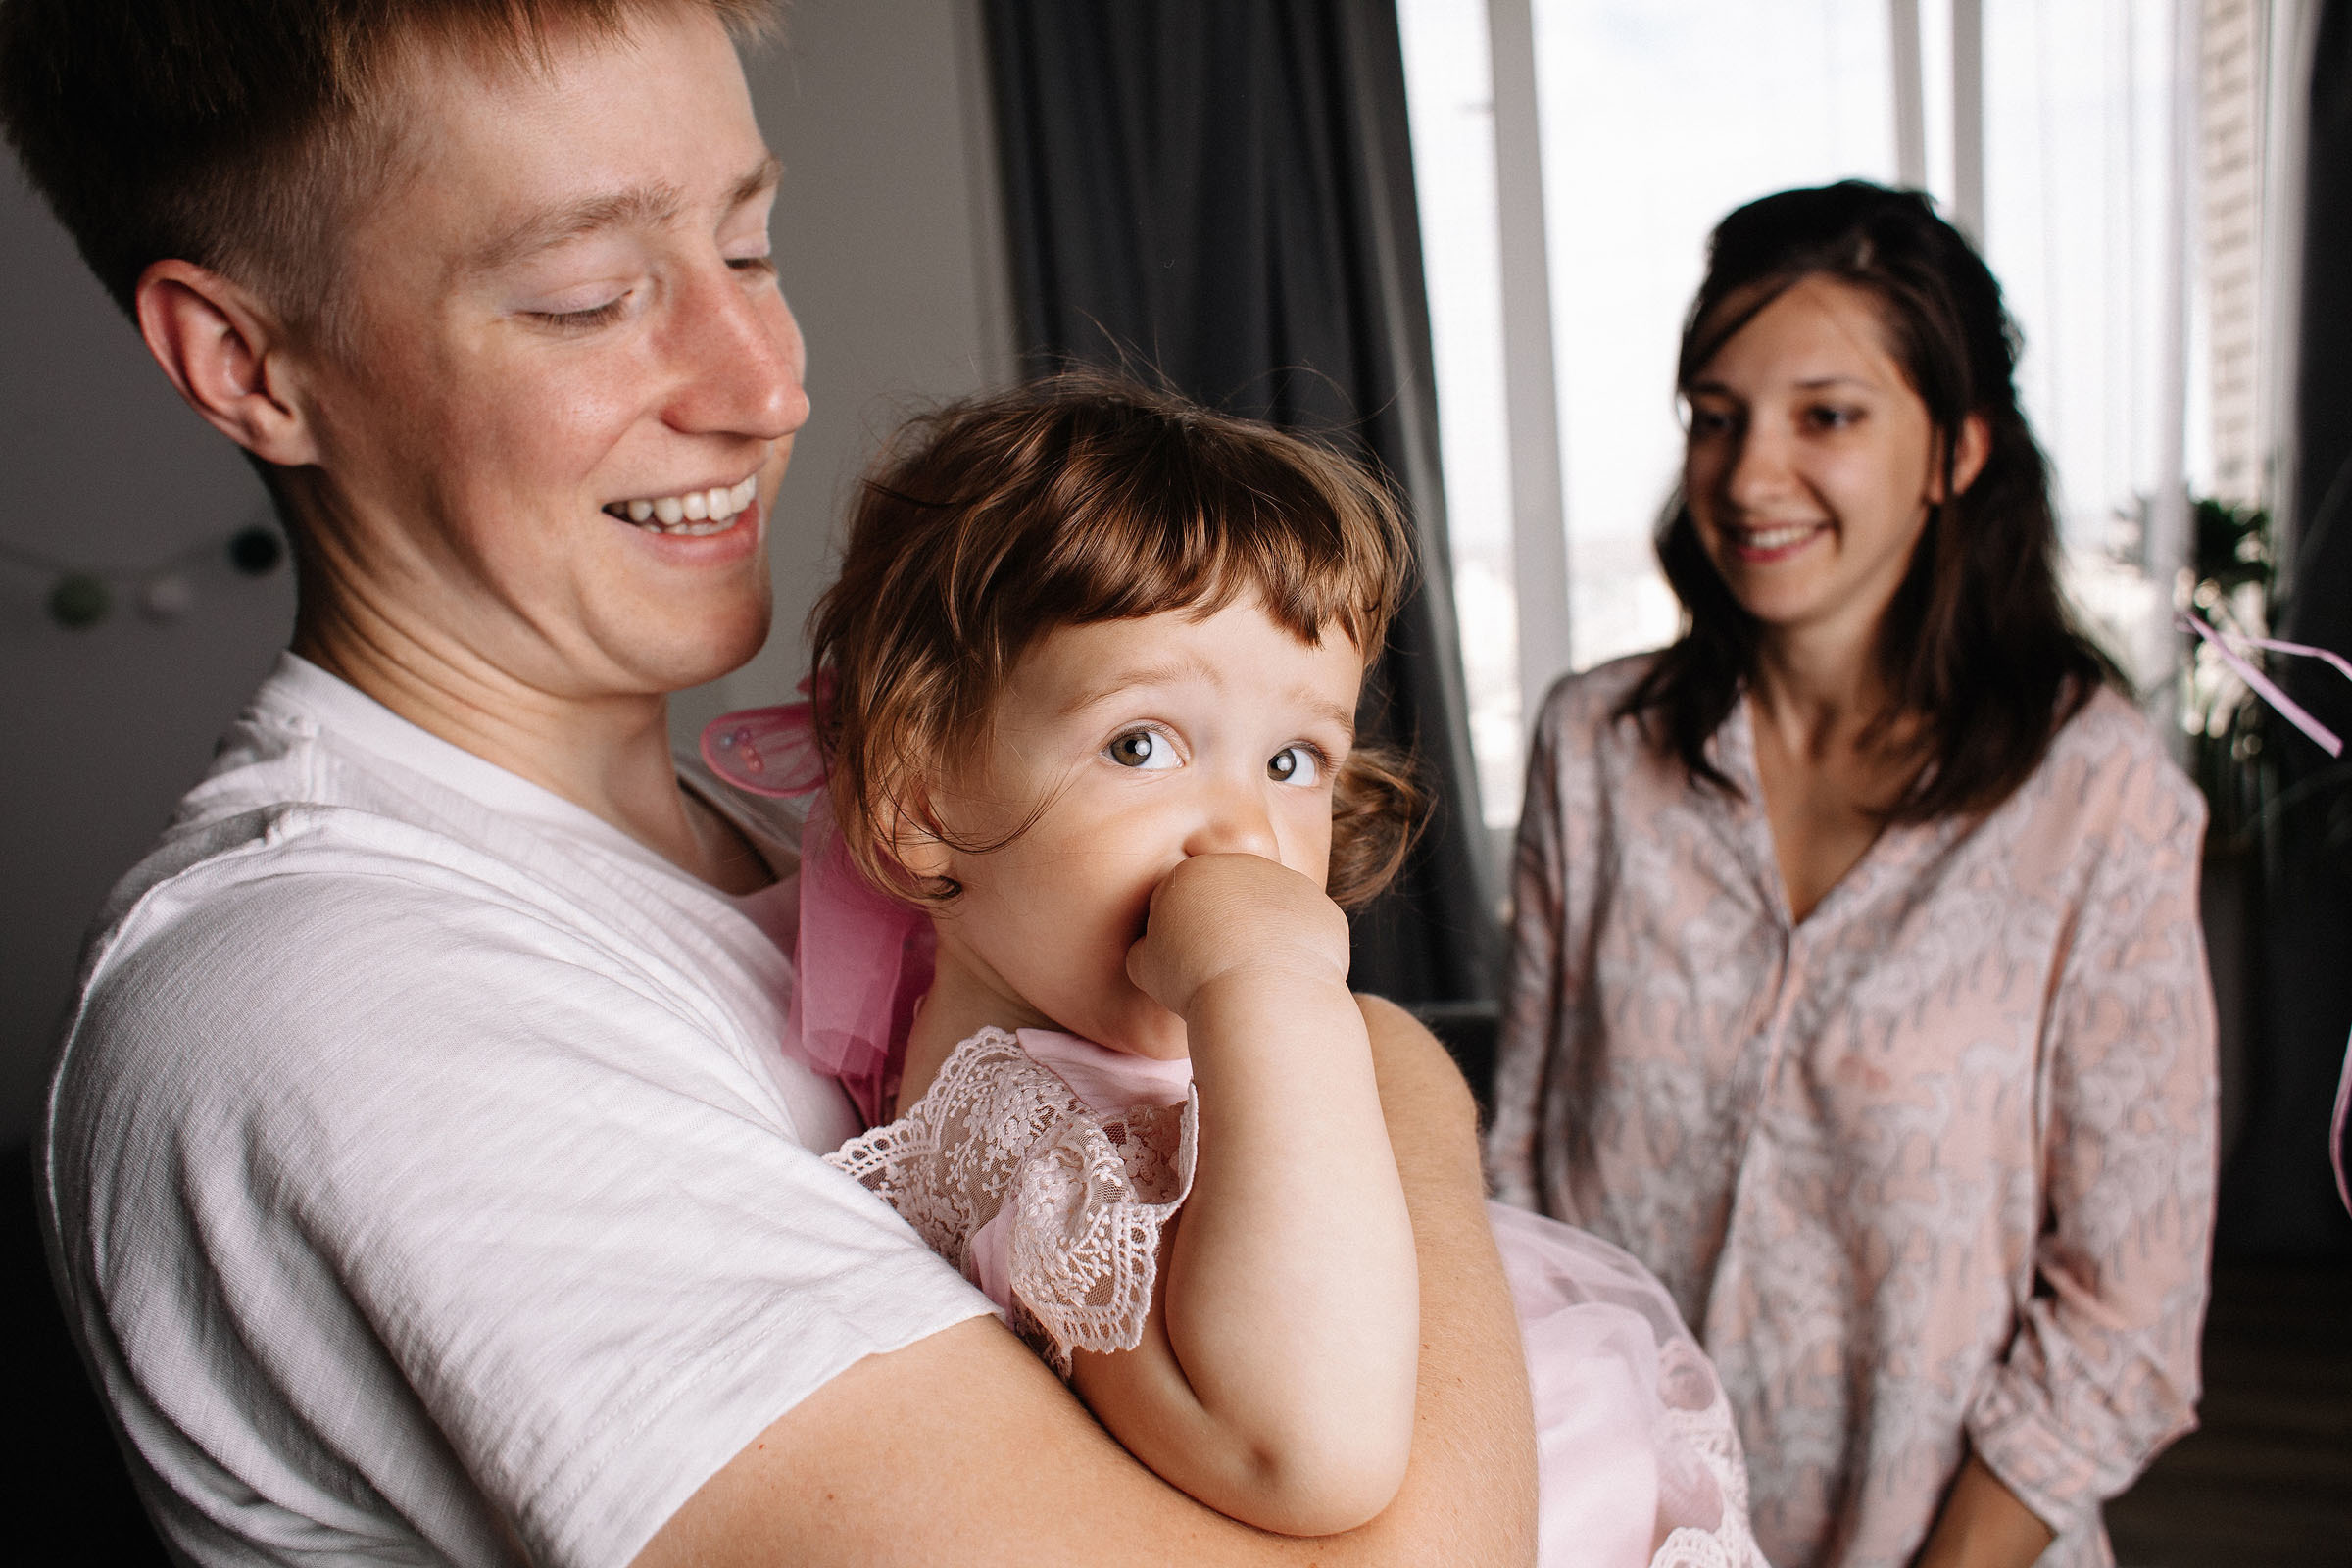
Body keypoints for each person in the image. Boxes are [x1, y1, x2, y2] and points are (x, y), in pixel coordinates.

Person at [3, 2, 1543, 1562]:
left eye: (749, 248)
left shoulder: (806, 844)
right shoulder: (338, 1004)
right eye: (586, 298)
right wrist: (1382, 1067)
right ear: (248, 361)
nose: (766, 385)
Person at [697, 375, 1767, 1567]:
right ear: (918, 799)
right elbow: (1310, 1447)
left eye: (1296, 757)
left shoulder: (1093, 1070)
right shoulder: (1014, 1145)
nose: (1242, 834)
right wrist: (1276, 988)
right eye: (1141, 743)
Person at [1488, 181, 2219, 1568]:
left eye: (1827, 415)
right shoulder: (1594, 747)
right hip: (1610, 1534)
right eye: (1715, 416)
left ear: (1955, 449)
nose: (1752, 475)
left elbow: (2130, 1309)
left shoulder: (2101, 794)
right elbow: (1520, 1180)